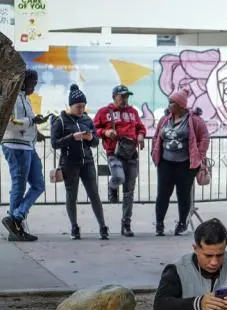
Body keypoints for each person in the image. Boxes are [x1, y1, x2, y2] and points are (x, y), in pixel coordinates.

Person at [50, 84, 109, 240]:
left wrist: (90, 138)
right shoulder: (61, 120)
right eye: (78, 106)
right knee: (72, 195)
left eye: (83, 106)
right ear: (71, 105)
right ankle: (74, 227)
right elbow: (55, 143)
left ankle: (103, 226)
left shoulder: (87, 120)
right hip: (69, 164)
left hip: (87, 161)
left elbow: (96, 141)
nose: (81, 109)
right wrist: (72, 138)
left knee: (94, 194)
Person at [152, 88, 211, 237]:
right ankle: (159, 223)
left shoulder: (194, 120)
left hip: (185, 164)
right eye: (169, 101)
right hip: (165, 163)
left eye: (172, 102)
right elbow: (156, 137)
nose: (169, 104)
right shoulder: (164, 119)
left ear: (180, 104)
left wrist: (200, 155)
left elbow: (204, 137)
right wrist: (155, 153)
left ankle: (182, 223)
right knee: (162, 194)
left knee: (183, 195)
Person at [93, 85, 146, 237]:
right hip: (114, 153)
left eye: (127, 96)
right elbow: (93, 129)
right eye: (122, 96)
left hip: (131, 154)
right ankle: (112, 187)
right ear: (114, 96)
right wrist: (105, 132)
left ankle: (126, 224)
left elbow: (140, 128)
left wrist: (141, 135)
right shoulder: (104, 112)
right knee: (118, 177)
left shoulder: (133, 112)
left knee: (129, 192)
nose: (125, 99)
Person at [1, 69, 46, 242]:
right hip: (15, 146)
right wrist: (33, 121)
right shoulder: (13, 98)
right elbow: (12, 122)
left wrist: (36, 132)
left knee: (38, 185)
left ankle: (16, 218)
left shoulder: (25, 99)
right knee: (18, 187)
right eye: (33, 82)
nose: (34, 85)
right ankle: (16, 229)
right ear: (24, 81)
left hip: (28, 146)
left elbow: (25, 123)